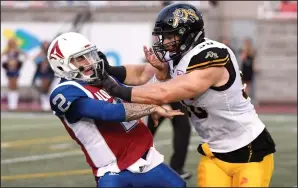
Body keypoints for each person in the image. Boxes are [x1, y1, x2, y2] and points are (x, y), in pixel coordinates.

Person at [100, 3, 276, 187]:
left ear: (188, 34)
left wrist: (115, 89)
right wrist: (108, 70)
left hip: (249, 151)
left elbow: (164, 92)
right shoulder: (178, 56)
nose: (165, 42)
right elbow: (143, 73)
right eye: (163, 36)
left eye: (170, 36)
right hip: (214, 153)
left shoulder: (212, 57)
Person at [47, 32, 186, 188]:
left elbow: (134, 95)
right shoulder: (64, 92)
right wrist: (151, 107)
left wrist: (158, 81)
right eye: (80, 58)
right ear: (61, 64)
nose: (89, 62)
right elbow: (109, 112)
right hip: (112, 171)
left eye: (89, 55)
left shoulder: (104, 78)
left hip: (147, 160)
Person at [1, 38, 26, 111]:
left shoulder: (17, 50)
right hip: (9, 69)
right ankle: (10, 104)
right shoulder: (7, 50)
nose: (11, 43)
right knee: (10, 85)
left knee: (15, 85)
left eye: (13, 42)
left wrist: (18, 63)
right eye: (10, 42)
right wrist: (6, 63)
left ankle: (14, 104)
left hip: (15, 69)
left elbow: (25, 55)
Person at [32, 40, 55, 111]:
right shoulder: (41, 54)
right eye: (44, 45)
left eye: (47, 45)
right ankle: (45, 104)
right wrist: (41, 54)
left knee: (49, 89)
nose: (45, 47)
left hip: (50, 73)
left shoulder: (51, 54)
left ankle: (49, 104)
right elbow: (34, 60)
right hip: (41, 74)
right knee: (43, 89)